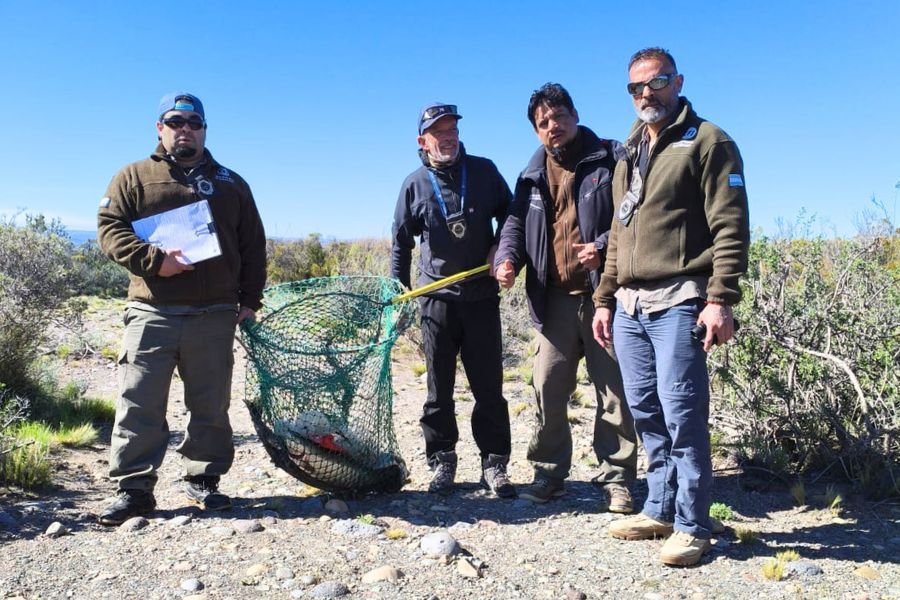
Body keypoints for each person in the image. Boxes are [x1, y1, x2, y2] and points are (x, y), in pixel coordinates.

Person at [592, 48, 750, 566]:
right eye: (636, 87)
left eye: (656, 82)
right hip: (630, 305)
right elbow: (619, 232)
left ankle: (693, 524)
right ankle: (659, 509)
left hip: (681, 299)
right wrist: (604, 299)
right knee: (646, 411)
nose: (646, 93)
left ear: (677, 81)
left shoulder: (706, 141)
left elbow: (730, 225)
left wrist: (721, 298)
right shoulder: (630, 151)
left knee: (682, 413)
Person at [96, 92, 267, 525]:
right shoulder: (133, 177)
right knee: (140, 402)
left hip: (214, 314)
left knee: (210, 404)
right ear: (160, 128)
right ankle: (134, 488)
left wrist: (249, 301)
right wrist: (156, 262)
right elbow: (109, 230)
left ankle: (204, 481)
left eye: (193, 122)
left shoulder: (231, 182)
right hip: (152, 311)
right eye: (175, 122)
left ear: (205, 129)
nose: (184, 129)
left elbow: (253, 246)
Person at [494, 83, 637, 510]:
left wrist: (604, 245)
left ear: (574, 114)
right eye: (543, 123)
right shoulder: (531, 174)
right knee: (548, 388)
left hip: (603, 296)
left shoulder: (612, 157)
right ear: (536, 131)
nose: (552, 126)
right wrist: (506, 259)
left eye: (558, 116)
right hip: (552, 298)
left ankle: (617, 477)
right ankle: (549, 473)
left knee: (613, 391)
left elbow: (637, 216)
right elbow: (515, 227)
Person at [391, 103, 515, 498]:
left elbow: (511, 217)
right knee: (438, 390)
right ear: (422, 140)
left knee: (489, 388)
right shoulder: (414, 183)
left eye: (452, 130)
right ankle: (441, 461)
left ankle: (494, 464)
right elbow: (400, 243)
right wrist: (399, 291)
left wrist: (502, 249)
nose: (448, 137)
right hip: (435, 301)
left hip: (481, 297)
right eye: (439, 132)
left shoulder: (484, 171)